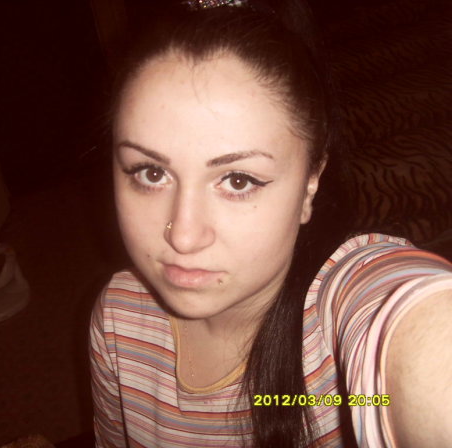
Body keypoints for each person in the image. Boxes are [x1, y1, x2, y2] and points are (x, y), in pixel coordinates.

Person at [88, 0, 452, 446]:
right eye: (150, 173)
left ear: (310, 184)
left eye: (238, 180)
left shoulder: (337, 329)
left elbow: (407, 320)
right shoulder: (116, 318)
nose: (183, 236)